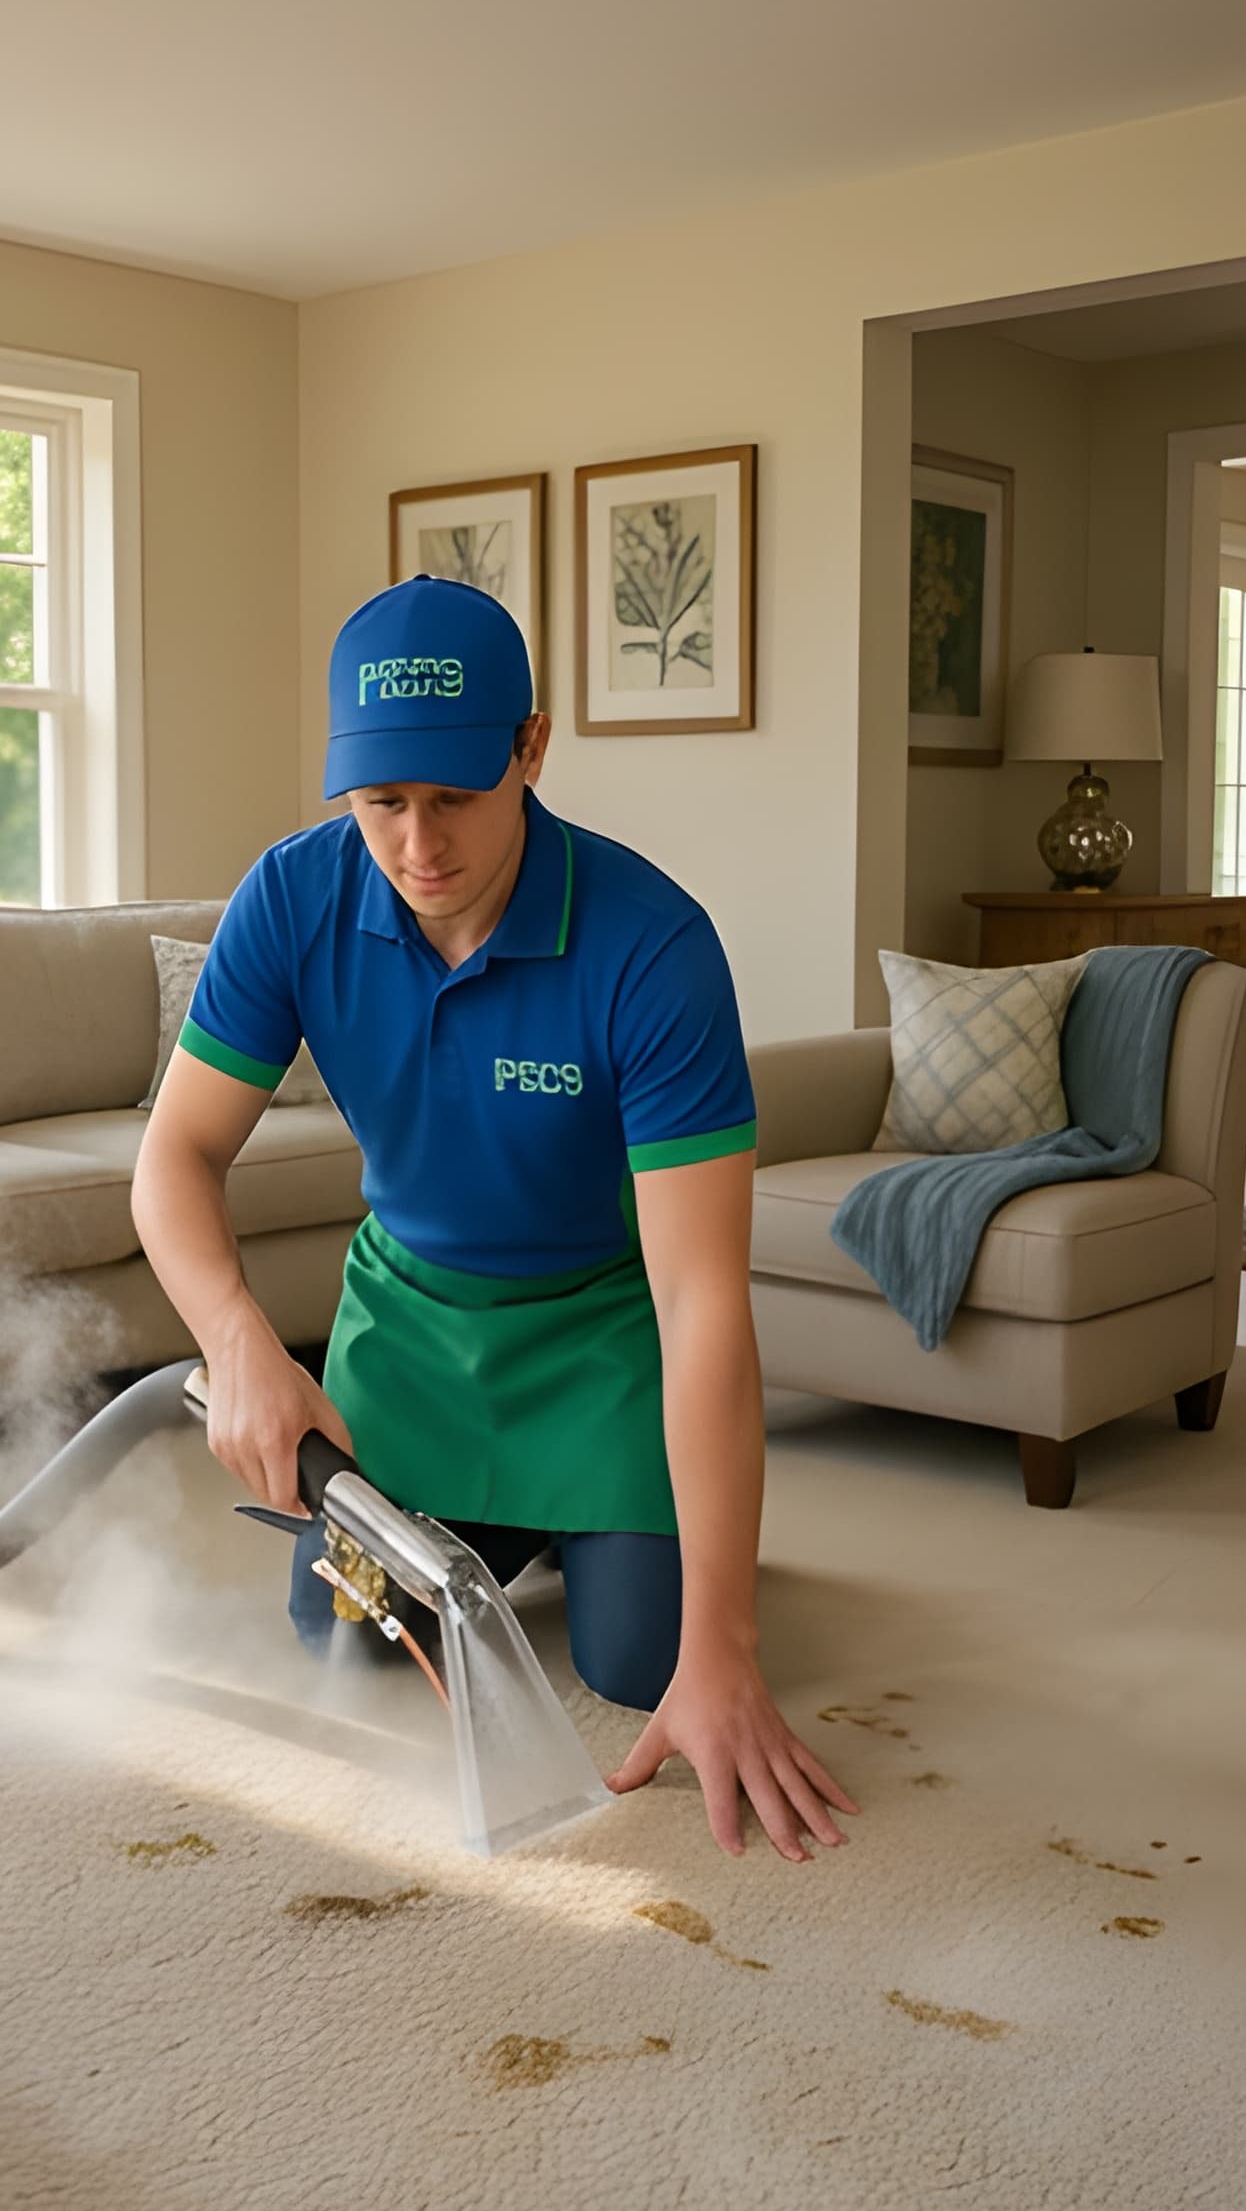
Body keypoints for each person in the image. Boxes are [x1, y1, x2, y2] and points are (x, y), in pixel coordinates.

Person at [131, 577, 855, 1862]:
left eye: (456, 796)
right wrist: (239, 1337)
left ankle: (608, 1529)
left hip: (602, 1334)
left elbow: (701, 1302)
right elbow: (175, 1155)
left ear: (531, 747)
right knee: (344, 1633)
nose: (418, 844)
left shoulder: (652, 947)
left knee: (644, 1661)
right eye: (381, 804)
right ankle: (523, 1526)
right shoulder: (292, 900)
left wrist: (725, 1647)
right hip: (411, 1322)